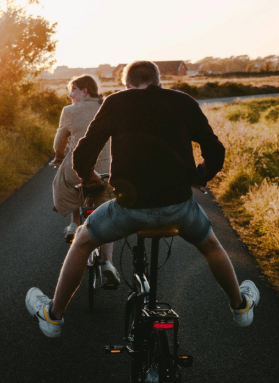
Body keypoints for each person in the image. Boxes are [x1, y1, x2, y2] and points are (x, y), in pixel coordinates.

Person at [25, 61, 260, 337]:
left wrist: (89, 177)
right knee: (210, 245)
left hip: (129, 209)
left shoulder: (116, 102)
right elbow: (215, 150)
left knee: (82, 240)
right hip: (179, 207)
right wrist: (199, 176)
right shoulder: (182, 101)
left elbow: (83, 151)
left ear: (127, 85)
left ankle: (54, 316)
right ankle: (240, 307)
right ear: (159, 82)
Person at [50, 74, 119, 285]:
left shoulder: (69, 111)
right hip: (106, 170)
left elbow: (59, 139)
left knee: (69, 175)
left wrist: (58, 156)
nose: (70, 95)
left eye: (73, 90)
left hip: (78, 171)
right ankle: (108, 263)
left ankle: (73, 224)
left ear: (85, 91)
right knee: (106, 214)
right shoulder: (109, 107)